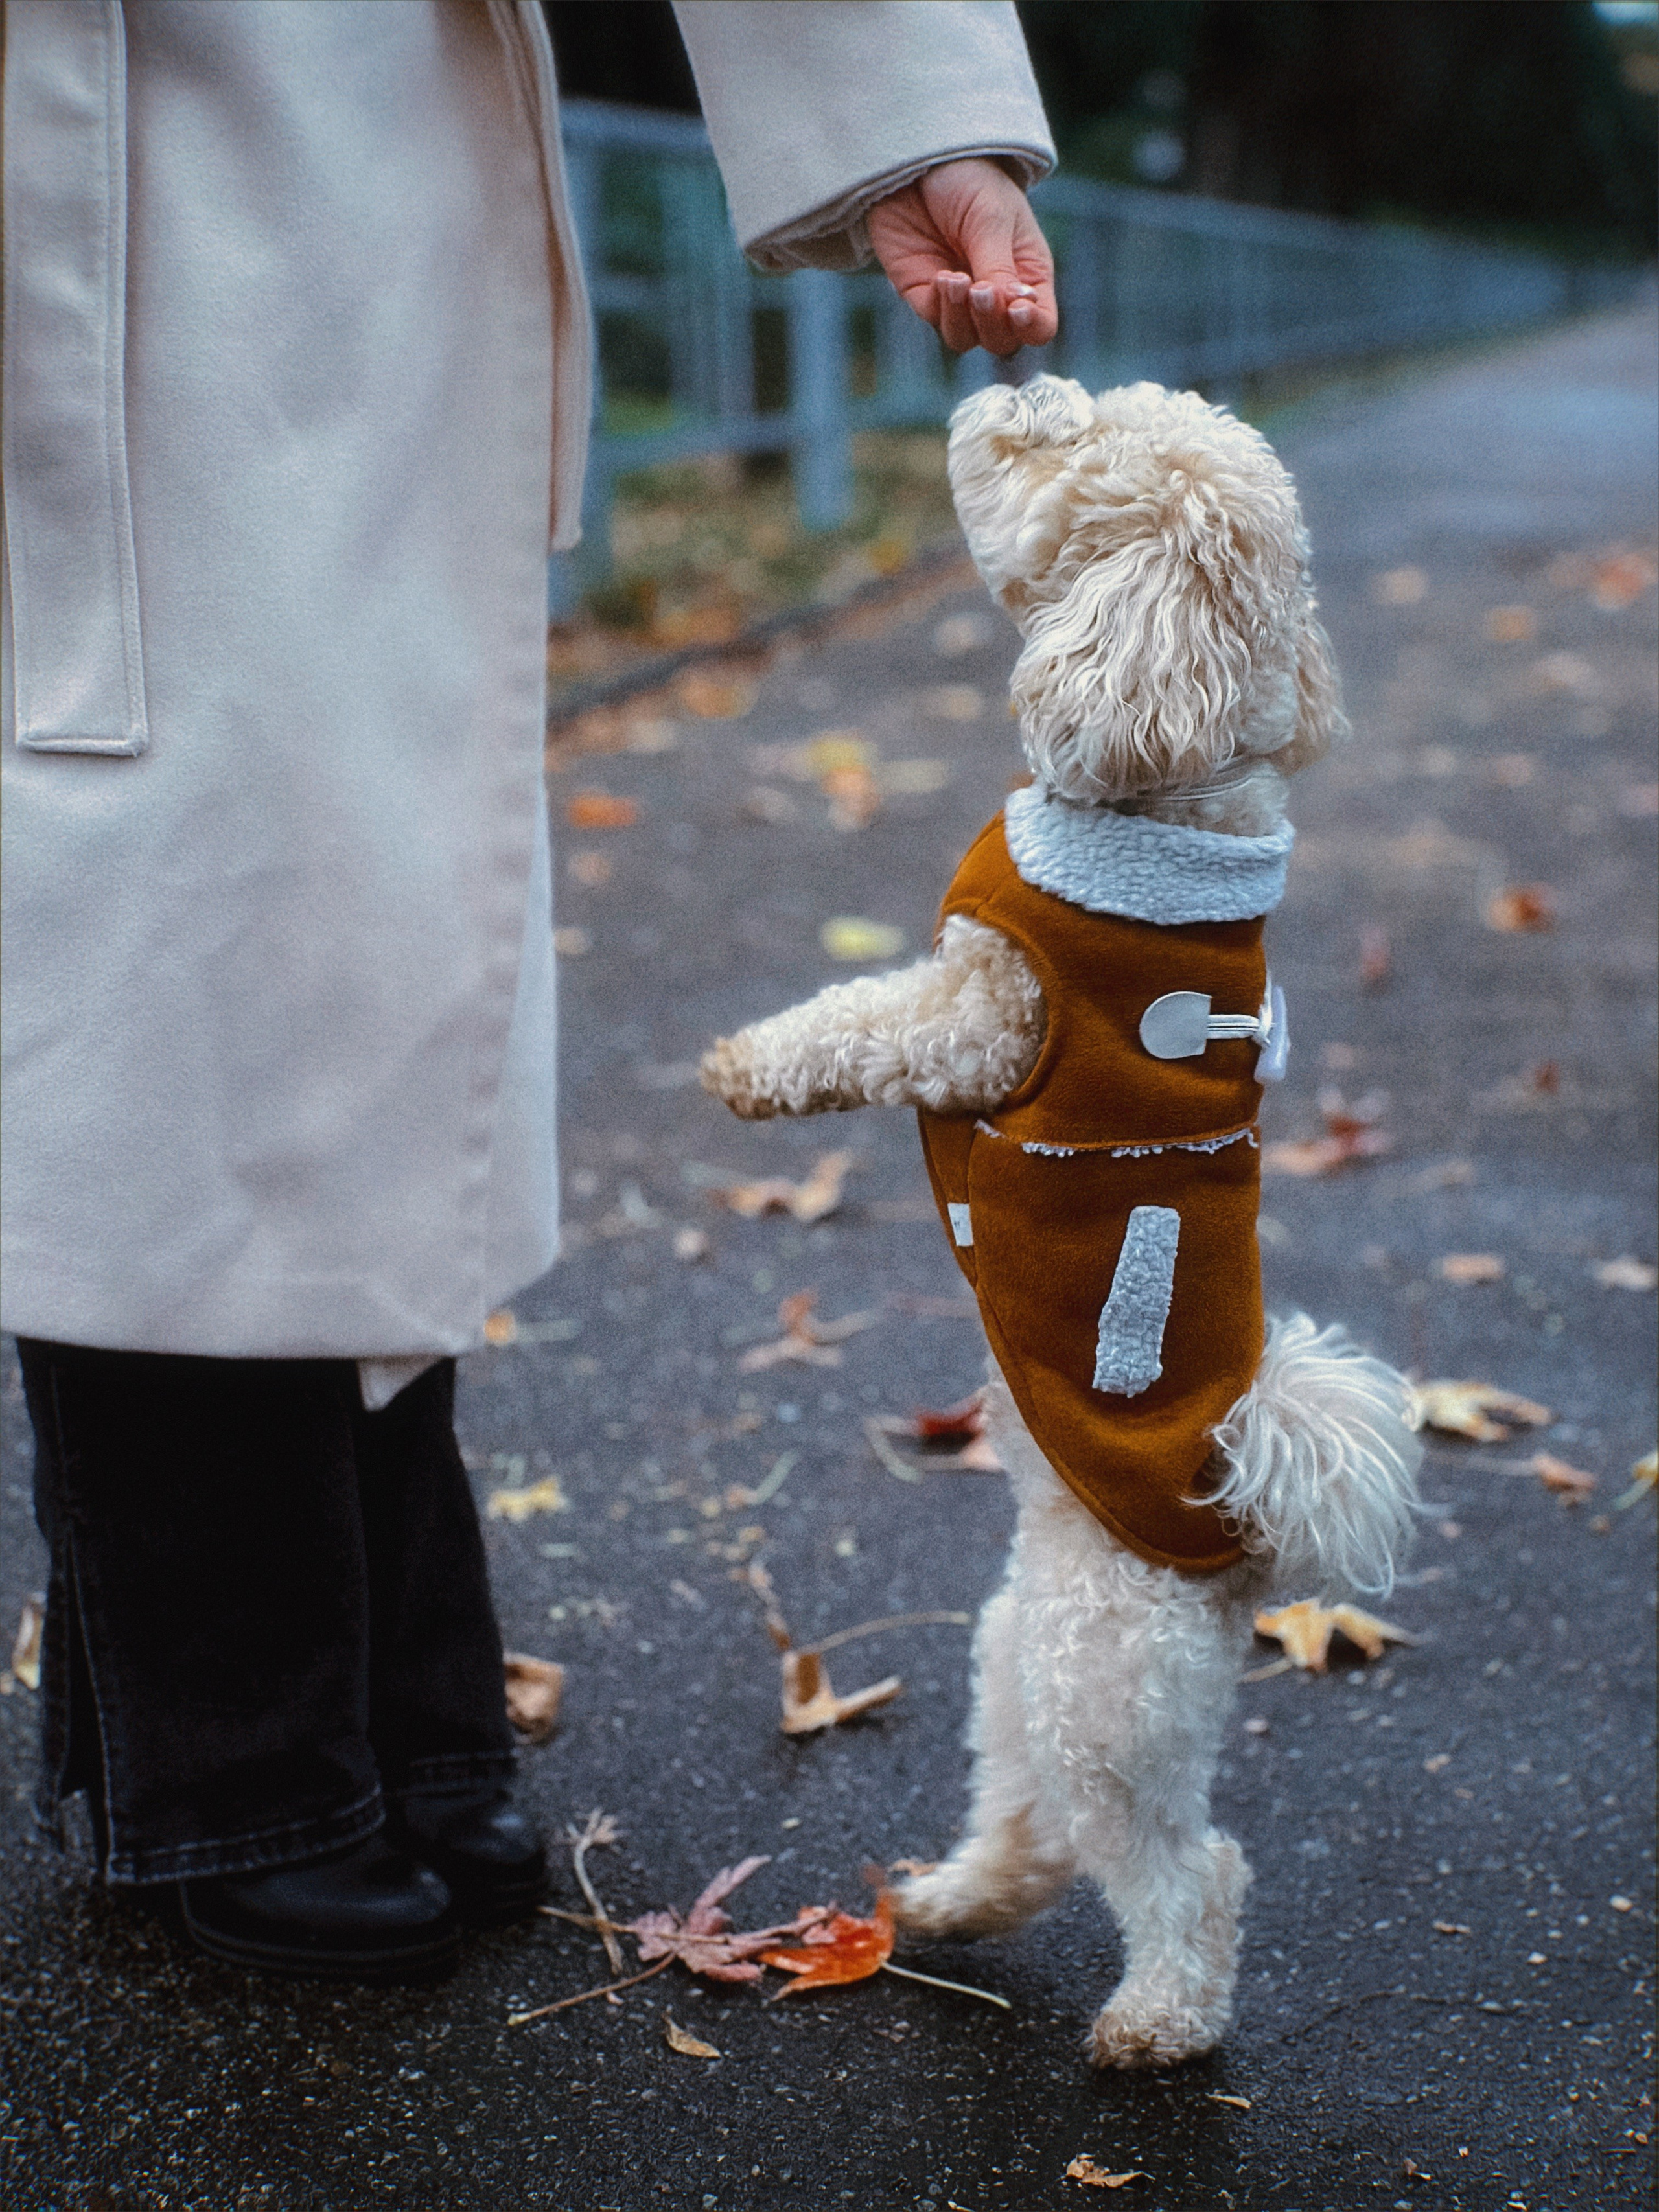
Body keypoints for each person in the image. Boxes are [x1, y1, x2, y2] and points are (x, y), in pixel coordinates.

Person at [1, 0, 1056, 1980]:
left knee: (340, 909)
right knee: (148, 930)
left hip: (353, 129)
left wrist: (910, 116)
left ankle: (375, 1702)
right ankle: (244, 1749)